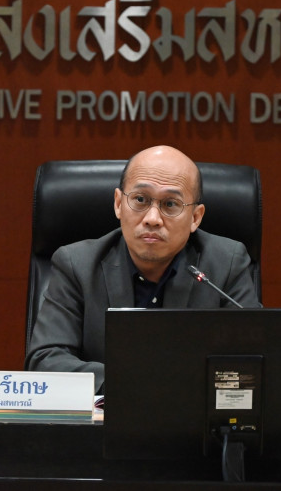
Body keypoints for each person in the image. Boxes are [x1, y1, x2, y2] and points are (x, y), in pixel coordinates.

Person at [24, 145, 260, 394]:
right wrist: (139, 382)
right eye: (140, 200)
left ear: (195, 217)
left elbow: (252, 359)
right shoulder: (76, 265)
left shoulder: (226, 263)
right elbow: (45, 362)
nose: (152, 219)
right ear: (118, 204)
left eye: (171, 204)